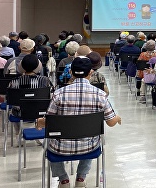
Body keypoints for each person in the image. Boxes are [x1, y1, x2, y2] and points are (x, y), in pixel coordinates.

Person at [35, 56, 122, 188]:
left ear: (71, 72)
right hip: (89, 147)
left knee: (50, 141)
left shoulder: (58, 94)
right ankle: (81, 178)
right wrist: (117, 118)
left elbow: (49, 122)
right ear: (91, 73)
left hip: (60, 148)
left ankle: (63, 179)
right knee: (91, 137)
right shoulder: (100, 94)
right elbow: (110, 122)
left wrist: (39, 122)